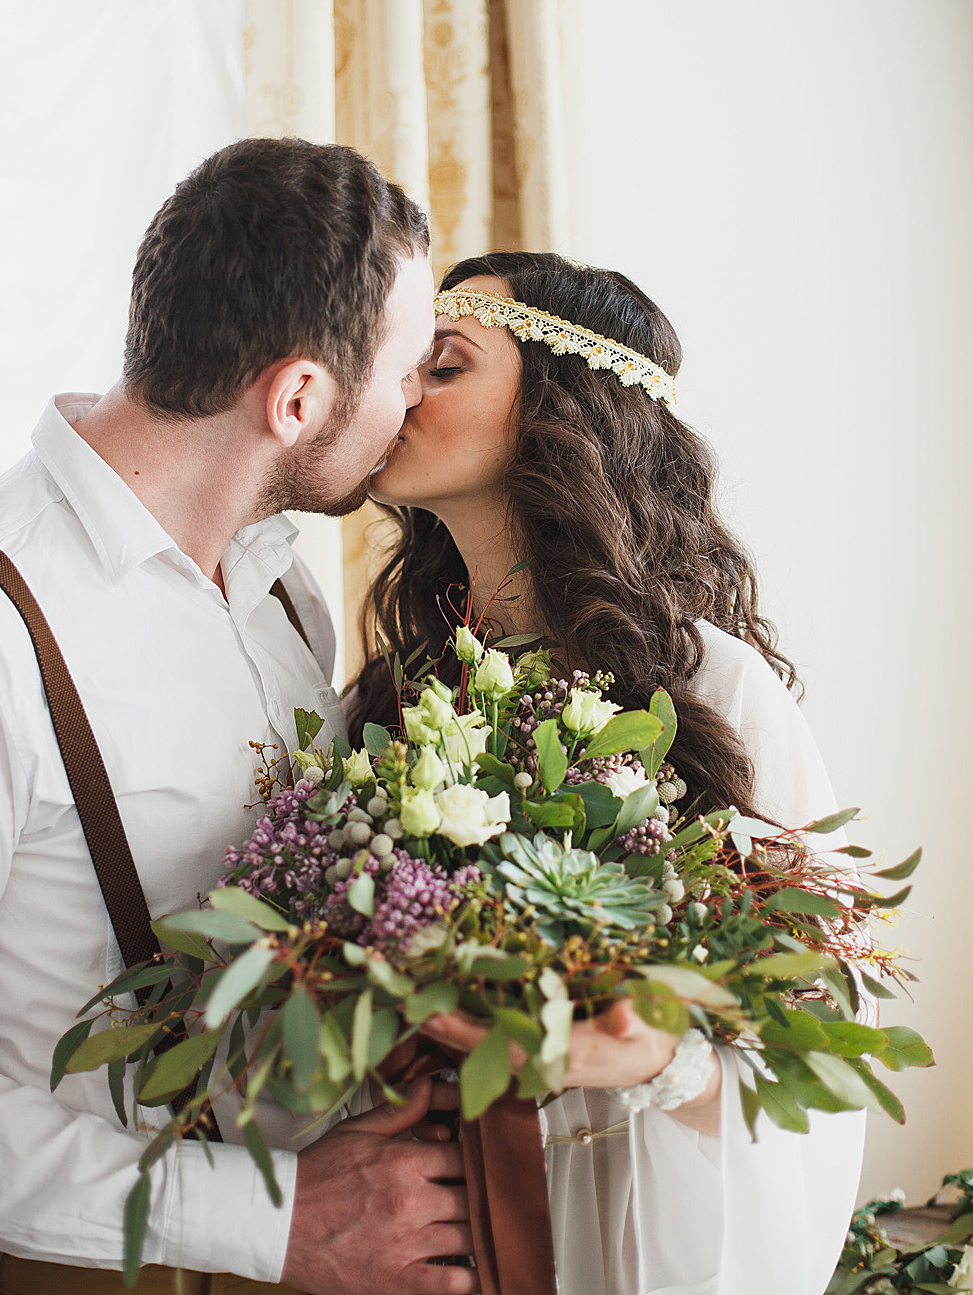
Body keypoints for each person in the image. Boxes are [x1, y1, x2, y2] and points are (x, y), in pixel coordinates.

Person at [0, 137, 479, 1295]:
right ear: (299, 397)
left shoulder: (278, 580)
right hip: (77, 1271)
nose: (413, 401)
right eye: (406, 368)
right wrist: (269, 1223)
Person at [354, 249, 867, 1295]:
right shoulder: (381, 701)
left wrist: (649, 1055)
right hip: (438, 1231)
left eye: (441, 366)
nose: (398, 391)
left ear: (559, 407)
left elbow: (816, 1023)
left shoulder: (715, 692)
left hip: (633, 1215)